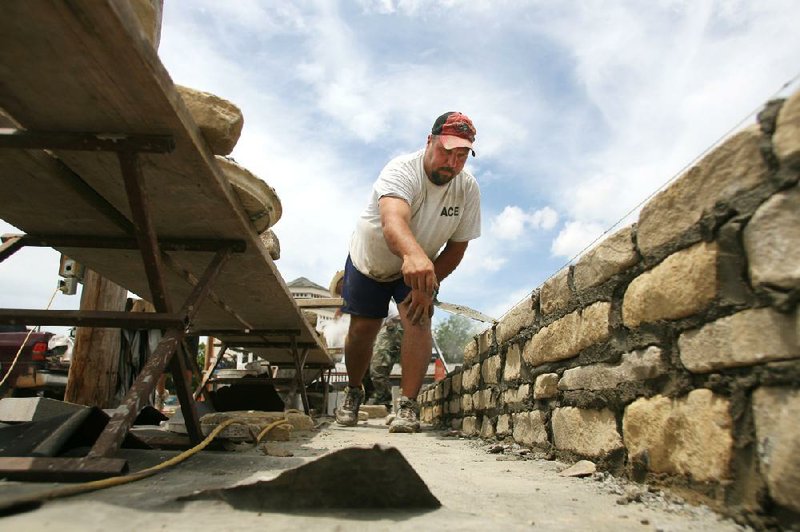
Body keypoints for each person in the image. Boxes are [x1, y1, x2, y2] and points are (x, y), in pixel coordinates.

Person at [335, 111, 481, 433]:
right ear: (429, 141)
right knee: (363, 330)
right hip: (370, 261)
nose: (452, 163)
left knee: (418, 317)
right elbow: (393, 222)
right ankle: (353, 390)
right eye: (446, 151)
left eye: (461, 156)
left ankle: (408, 406)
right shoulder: (402, 170)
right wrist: (414, 256)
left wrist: (428, 283)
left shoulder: (467, 190)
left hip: (418, 265)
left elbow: (457, 248)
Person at [367, 314, 403, 408]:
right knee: (376, 368)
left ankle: (384, 401)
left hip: (393, 325)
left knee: (378, 368)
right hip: (392, 325)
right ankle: (383, 401)